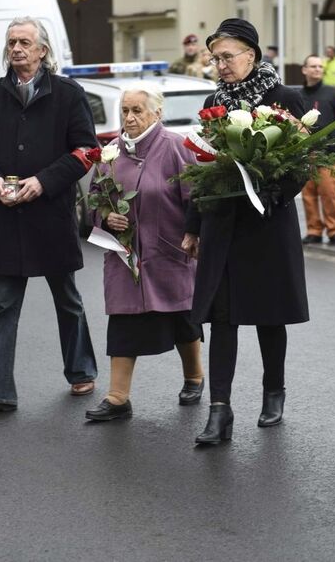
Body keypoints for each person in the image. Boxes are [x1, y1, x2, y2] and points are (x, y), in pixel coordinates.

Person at [181, 18, 309, 444]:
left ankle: (274, 391)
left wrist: (274, 190)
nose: (220, 65)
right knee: (223, 318)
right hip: (223, 224)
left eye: (227, 56)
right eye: (215, 58)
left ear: (251, 56)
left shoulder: (284, 96)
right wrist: (193, 225)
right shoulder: (213, 101)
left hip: (267, 222)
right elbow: (201, 168)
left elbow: (303, 160)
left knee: (270, 316)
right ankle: (220, 411)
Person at [0, 17, 98, 416]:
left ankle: (81, 371)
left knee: (68, 300)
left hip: (50, 215)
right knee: (4, 307)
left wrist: (43, 181)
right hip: (8, 218)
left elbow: (86, 151)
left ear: (42, 50)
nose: (17, 48)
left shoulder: (69, 94)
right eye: (11, 42)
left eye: (25, 42)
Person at [84, 82, 205, 421]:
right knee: (123, 324)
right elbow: (95, 200)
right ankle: (118, 398)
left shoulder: (176, 147)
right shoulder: (110, 152)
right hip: (125, 258)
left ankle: (194, 377)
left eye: (137, 110)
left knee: (182, 319)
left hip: (169, 253)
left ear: (157, 113)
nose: (130, 117)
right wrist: (107, 217)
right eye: (125, 110)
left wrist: (193, 234)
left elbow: (195, 198)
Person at [299, 55, 335, 246]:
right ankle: (313, 230)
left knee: (329, 194)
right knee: (308, 194)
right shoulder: (298, 96)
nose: (317, 69)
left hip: (329, 154)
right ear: (304, 70)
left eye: (320, 66)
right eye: (313, 66)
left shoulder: (333, 93)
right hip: (305, 154)